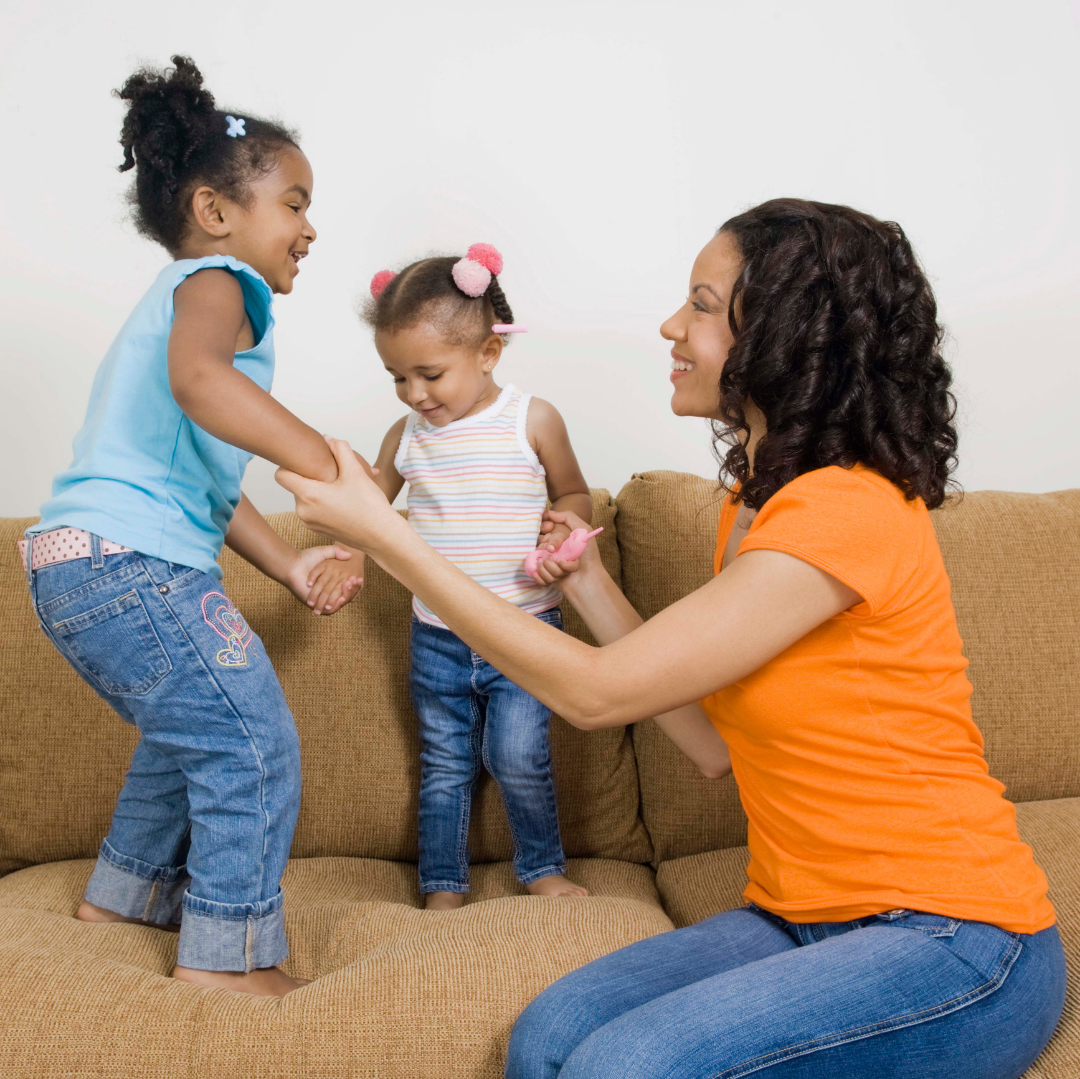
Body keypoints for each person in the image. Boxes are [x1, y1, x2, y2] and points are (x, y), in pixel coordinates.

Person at [277, 199, 1066, 1075]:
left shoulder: (846, 512)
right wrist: (590, 582)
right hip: (800, 917)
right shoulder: (757, 507)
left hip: (955, 938)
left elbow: (594, 695)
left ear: (785, 331)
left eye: (699, 303)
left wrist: (388, 538)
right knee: (547, 1038)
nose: (669, 325)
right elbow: (711, 744)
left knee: (622, 1067)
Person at [20, 56, 363, 997]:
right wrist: (327, 462)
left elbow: (212, 488)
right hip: (134, 568)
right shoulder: (217, 282)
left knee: (191, 737)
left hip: (80, 565)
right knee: (250, 747)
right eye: (293, 203)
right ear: (217, 213)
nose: (310, 226)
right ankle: (230, 958)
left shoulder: (179, 302)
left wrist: (290, 569)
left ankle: (122, 897)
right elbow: (202, 383)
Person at [312, 245, 592, 909]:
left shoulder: (532, 420)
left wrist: (565, 529)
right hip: (437, 641)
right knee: (444, 768)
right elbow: (366, 511)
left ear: (489, 354)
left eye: (429, 374)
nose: (414, 394)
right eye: (397, 378)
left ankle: (542, 868)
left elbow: (575, 494)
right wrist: (344, 546)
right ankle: (442, 883)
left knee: (519, 758)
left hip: (524, 634)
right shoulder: (404, 436)